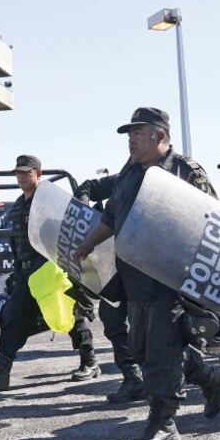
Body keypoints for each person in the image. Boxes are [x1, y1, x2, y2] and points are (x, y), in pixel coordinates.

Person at [76, 107, 220, 440]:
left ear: (160, 136)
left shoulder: (185, 171)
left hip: (171, 279)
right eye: (128, 134)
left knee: (161, 349)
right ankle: (209, 376)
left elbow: (214, 223)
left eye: (137, 132)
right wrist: (87, 244)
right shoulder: (130, 172)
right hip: (135, 278)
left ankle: (163, 422)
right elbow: (112, 216)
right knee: (142, 349)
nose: (130, 139)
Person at [0, 155, 101, 390]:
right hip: (27, 274)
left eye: (26, 172)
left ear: (38, 174)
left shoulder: (48, 202)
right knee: (12, 316)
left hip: (51, 270)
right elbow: (18, 242)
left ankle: (89, 361)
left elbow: (63, 234)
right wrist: (17, 272)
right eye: (18, 173)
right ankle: (2, 371)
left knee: (68, 315)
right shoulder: (19, 204)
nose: (21, 176)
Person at [75, 166, 145, 403]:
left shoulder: (162, 179)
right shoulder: (122, 180)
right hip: (117, 266)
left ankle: (202, 375)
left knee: (158, 326)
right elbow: (87, 187)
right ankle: (133, 378)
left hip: (151, 269)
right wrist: (84, 208)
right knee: (113, 319)